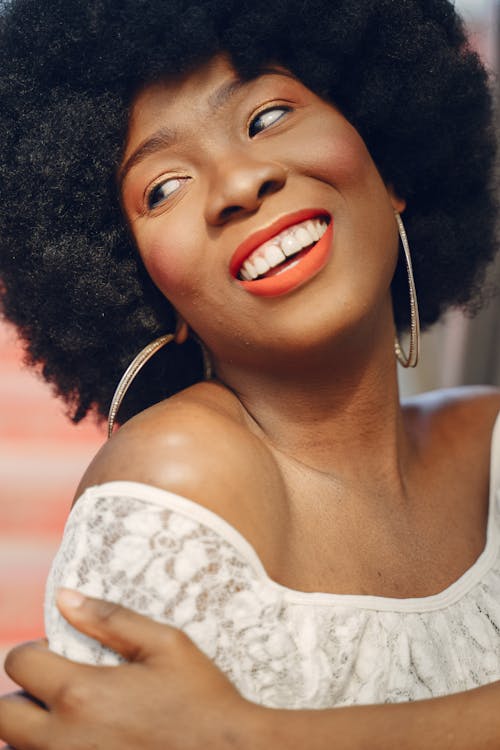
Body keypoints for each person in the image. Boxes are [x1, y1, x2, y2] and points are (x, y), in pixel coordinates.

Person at [0, 0, 499, 747]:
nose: (238, 183)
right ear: (141, 285)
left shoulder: (490, 438)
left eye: (267, 116)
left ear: (389, 163)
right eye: (162, 188)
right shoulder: (176, 482)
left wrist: (251, 736)